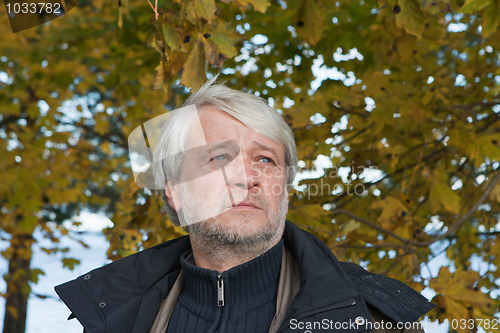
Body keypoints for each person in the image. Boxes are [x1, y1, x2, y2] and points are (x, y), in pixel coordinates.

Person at [55, 78, 434, 333]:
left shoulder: (372, 317)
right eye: (219, 158)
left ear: (283, 187)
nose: (246, 177)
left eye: (265, 160)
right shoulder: (117, 314)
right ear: (173, 190)